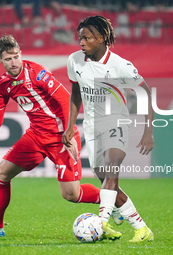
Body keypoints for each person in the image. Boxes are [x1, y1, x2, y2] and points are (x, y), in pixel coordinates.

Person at [0, 34, 102, 237]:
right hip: (36, 136)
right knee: (1, 173)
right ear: (0, 60)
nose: (13, 62)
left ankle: (111, 200)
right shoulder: (3, 84)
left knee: (71, 194)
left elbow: (67, 101)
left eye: (16, 56)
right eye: (8, 59)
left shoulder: (37, 73)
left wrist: (69, 135)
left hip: (60, 136)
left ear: (20, 54)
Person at [62, 15, 155, 243]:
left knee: (112, 170)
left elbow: (145, 93)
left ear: (102, 38)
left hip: (116, 122)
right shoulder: (75, 61)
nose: (81, 43)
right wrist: (70, 124)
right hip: (92, 126)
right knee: (106, 181)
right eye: (80, 38)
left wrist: (148, 131)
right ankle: (142, 228)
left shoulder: (120, 66)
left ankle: (101, 223)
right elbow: (76, 94)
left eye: (87, 38)